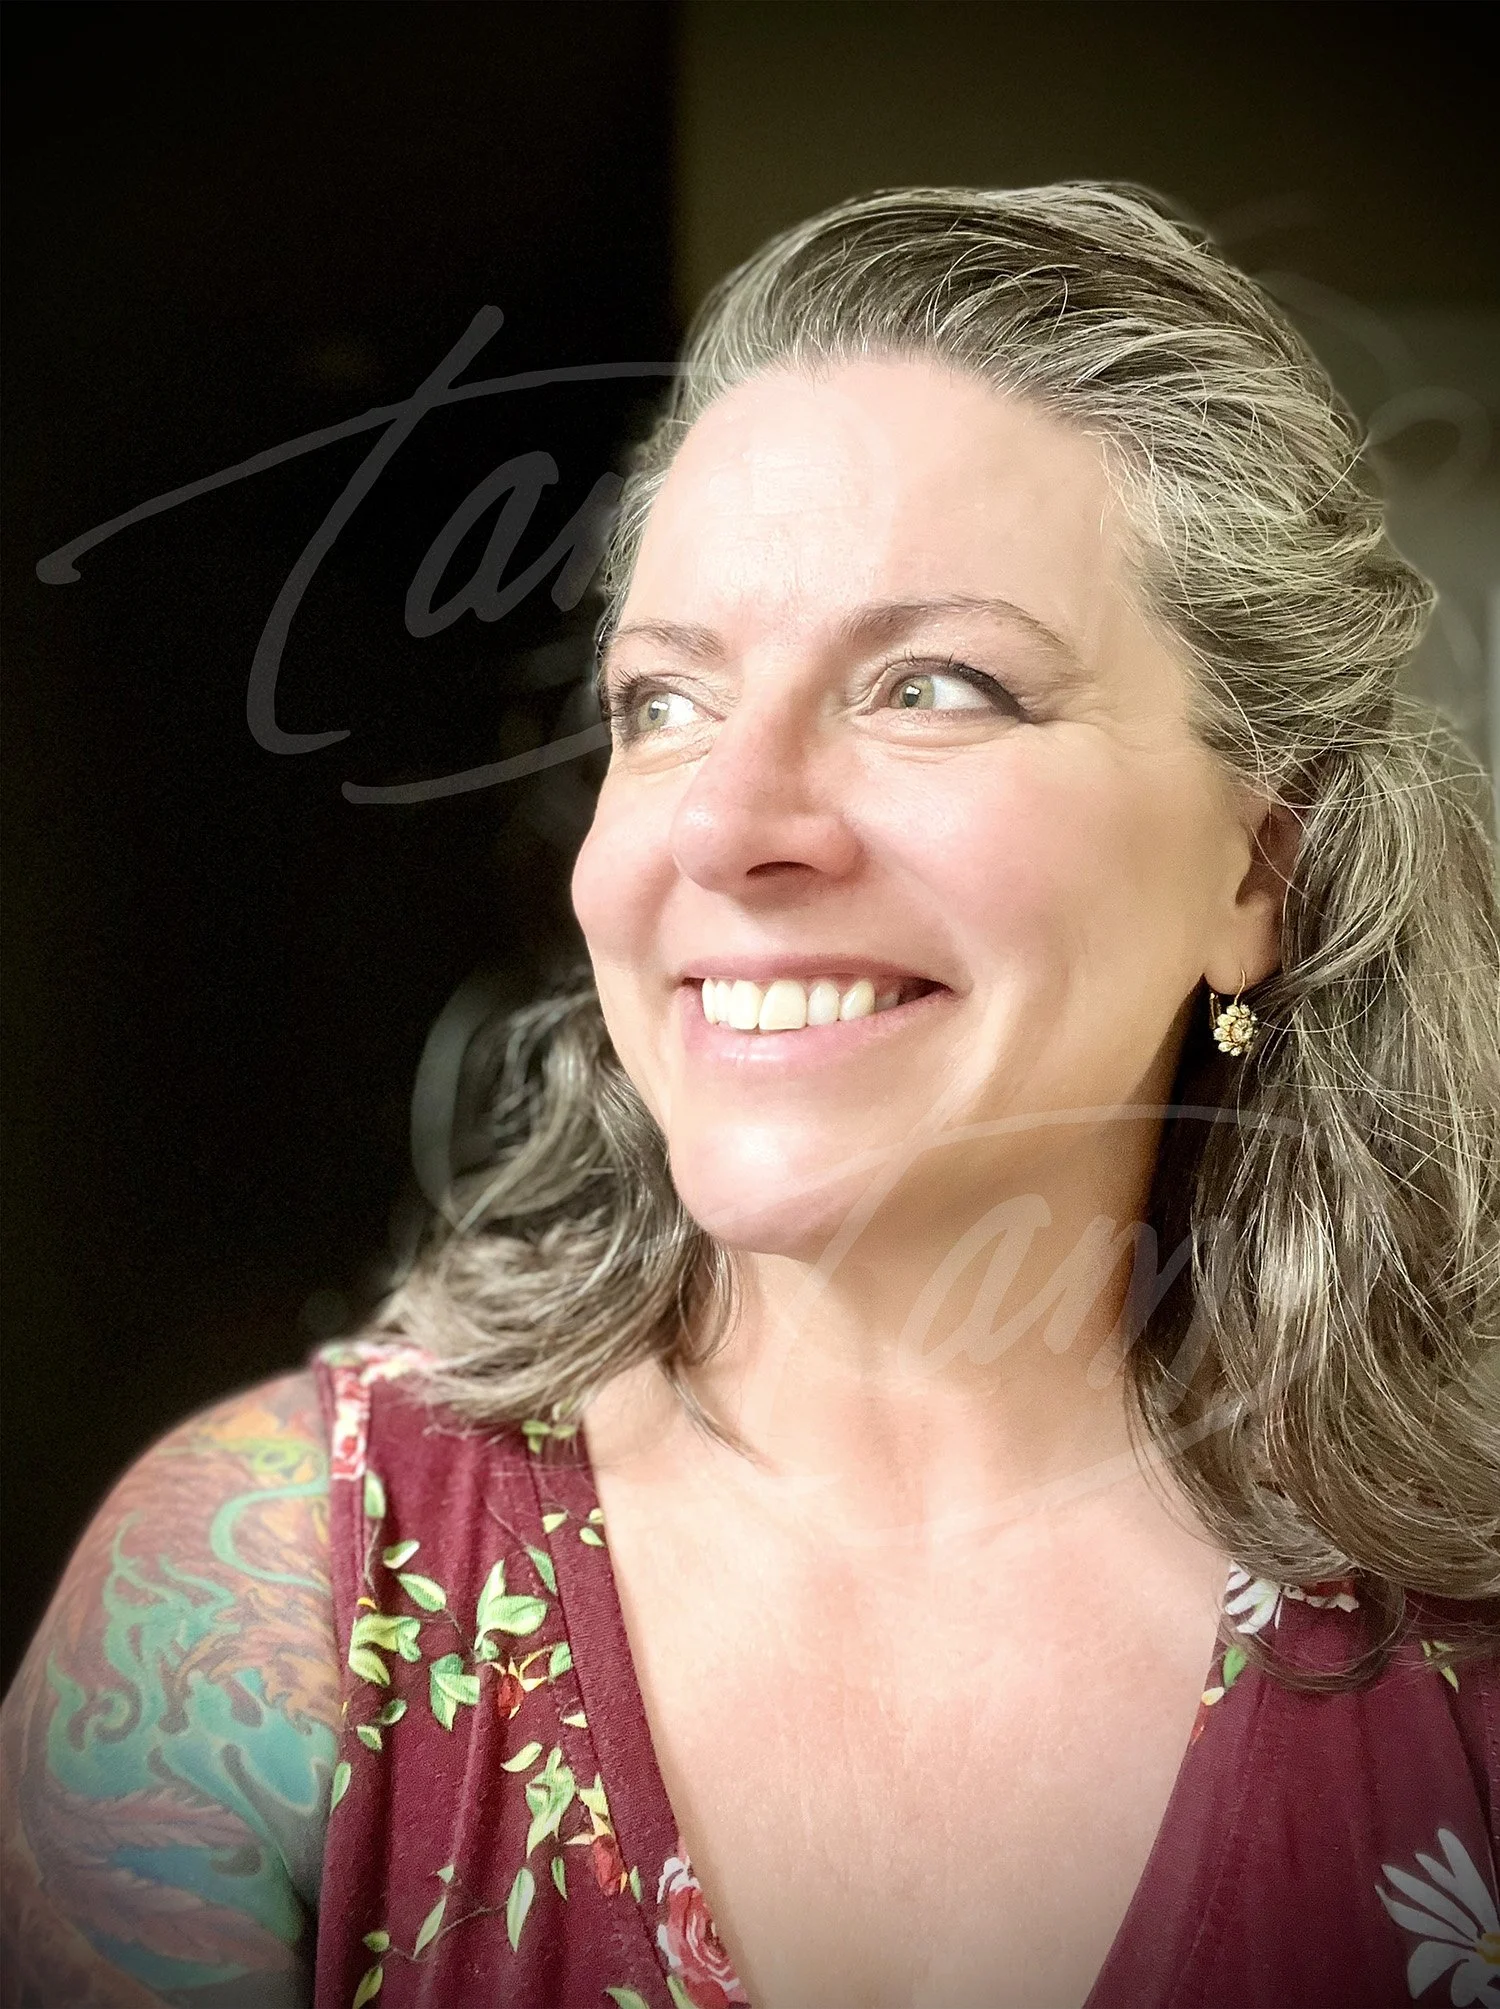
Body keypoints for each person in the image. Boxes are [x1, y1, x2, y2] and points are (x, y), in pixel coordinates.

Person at [3, 183, 1498, 2009]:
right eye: (664, 702)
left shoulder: (1470, 1655)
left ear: (1254, 877)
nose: (722, 824)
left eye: (932, 685)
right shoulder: (254, 1616)